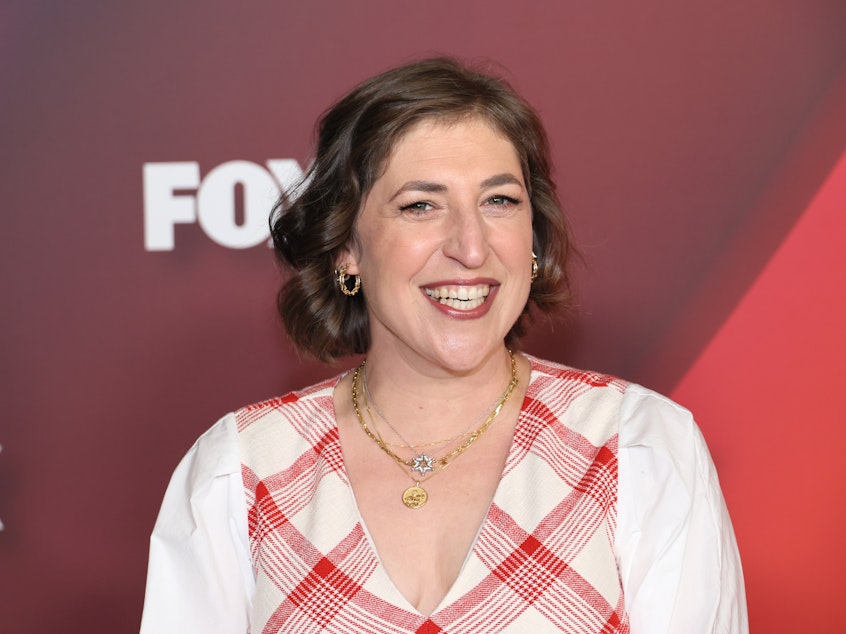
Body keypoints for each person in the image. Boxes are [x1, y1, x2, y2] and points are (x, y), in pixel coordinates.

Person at [140, 57, 747, 633]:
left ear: (532, 241)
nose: (471, 246)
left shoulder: (640, 449)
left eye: (499, 201)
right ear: (345, 249)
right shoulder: (239, 471)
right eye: (421, 205)